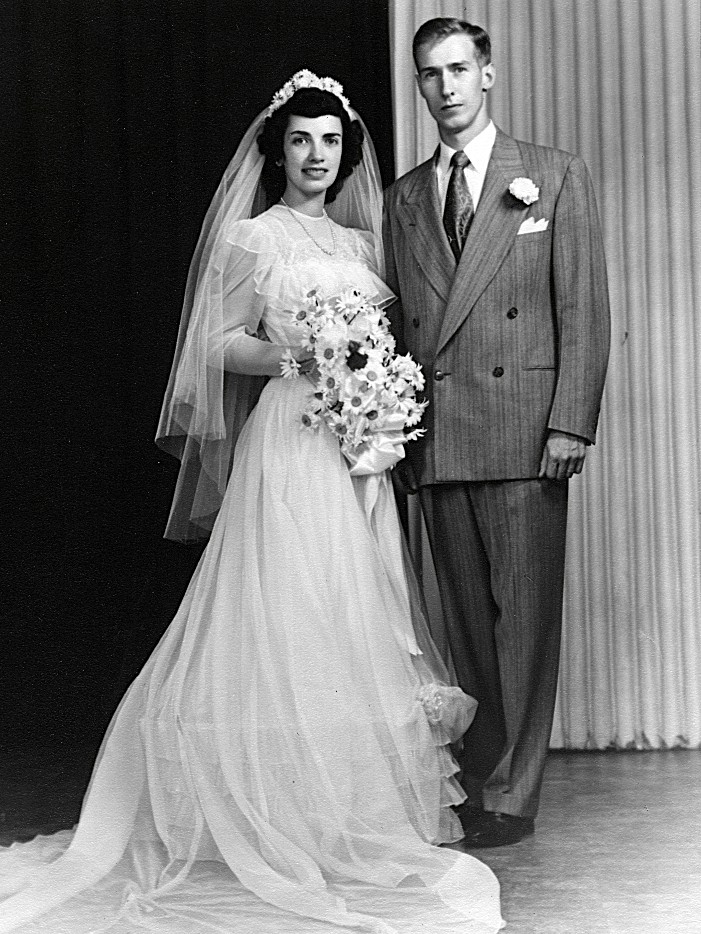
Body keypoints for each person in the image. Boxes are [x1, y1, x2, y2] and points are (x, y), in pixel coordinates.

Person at [0, 74, 504, 934]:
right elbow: (215, 344)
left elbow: (382, 342)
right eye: (301, 140)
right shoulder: (252, 236)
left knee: (355, 608)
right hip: (290, 437)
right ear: (278, 151)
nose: (317, 155)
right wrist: (298, 358)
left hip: (354, 447)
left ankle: (345, 809)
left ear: (346, 153)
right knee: (288, 607)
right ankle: (273, 811)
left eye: (331, 141)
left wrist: (373, 391)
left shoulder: (360, 243)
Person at [384, 18, 610, 848]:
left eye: (457, 69)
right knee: (467, 630)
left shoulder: (551, 175)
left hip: (523, 435)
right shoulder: (405, 197)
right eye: (428, 73)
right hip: (440, 438)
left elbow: (583, 308)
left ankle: (512, 797)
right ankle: (483, 783)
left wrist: (569, 423)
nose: (444, 87)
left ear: (486, 75)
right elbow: (401, 328)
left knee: (524, 627)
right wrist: (398, 433)